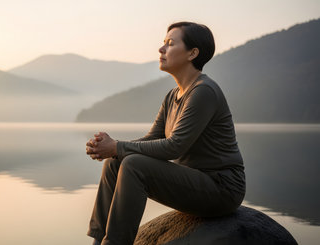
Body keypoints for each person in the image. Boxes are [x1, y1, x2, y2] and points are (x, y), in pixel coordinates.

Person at [85, 21, 246, 245]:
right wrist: (112, 149)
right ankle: (97, 241)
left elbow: (174, 146)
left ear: (192, 53)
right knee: (116, 162)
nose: (161, 49)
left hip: (221, 187)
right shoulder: (173, 96)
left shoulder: (204, 91)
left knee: (133, 164)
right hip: (194, 182)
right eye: (163, 44)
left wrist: (117, 146)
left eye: (170, 44)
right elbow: (153, 139)